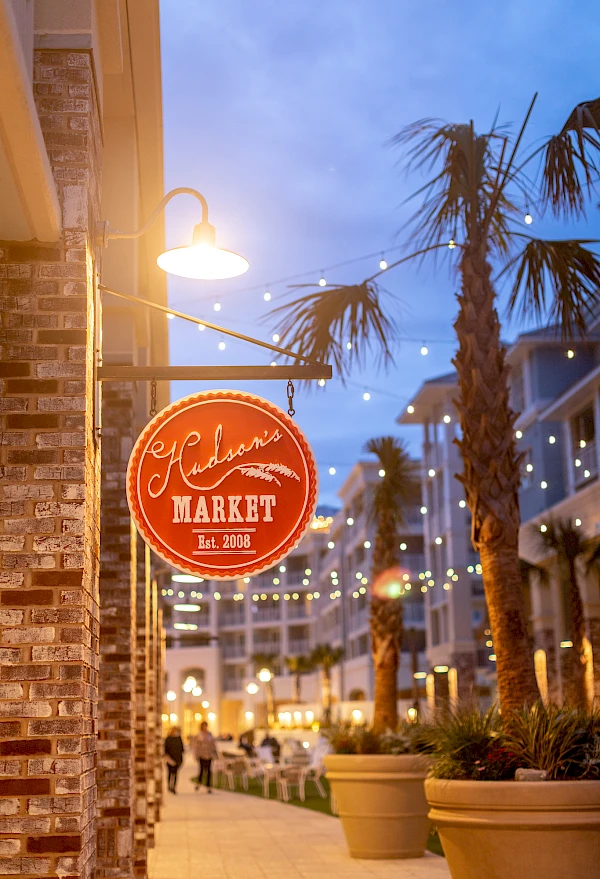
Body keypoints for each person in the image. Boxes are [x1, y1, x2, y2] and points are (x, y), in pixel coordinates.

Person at [192, 721, 218, 793]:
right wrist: (196, 755)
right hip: (202, 755)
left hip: (209, 755)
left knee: (209, 771)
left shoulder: (210, 734)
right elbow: (196, 746)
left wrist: (215, 754)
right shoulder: (199, 735)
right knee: (201, 770)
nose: (205, 727)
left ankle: (208, 786)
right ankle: (198, 783)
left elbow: (213, 744)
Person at [164, 726, 184, 794]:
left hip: (177, 759)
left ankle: (174, 787)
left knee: (175, 774)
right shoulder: (168, 739)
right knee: (170, 773)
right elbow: (165, 749)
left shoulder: (178, 739)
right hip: (170, 759)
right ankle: (169, 786)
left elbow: (182, 749)